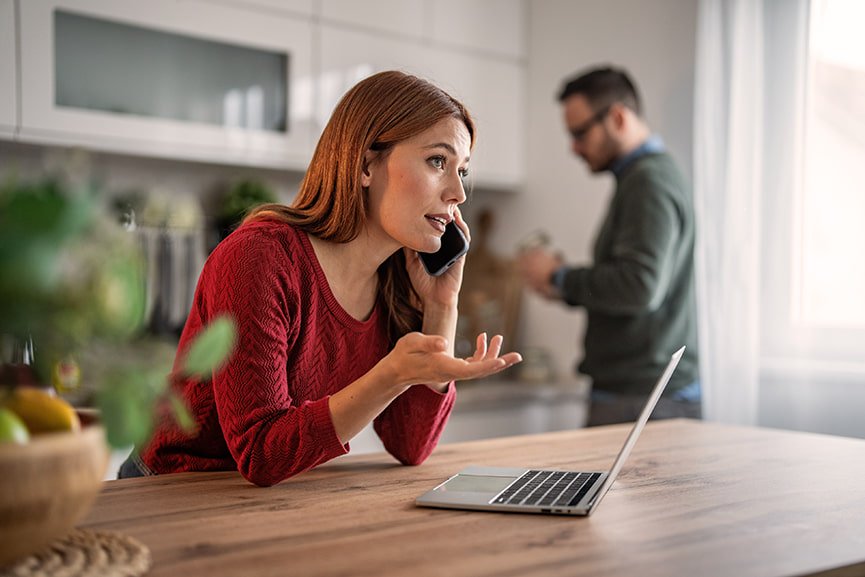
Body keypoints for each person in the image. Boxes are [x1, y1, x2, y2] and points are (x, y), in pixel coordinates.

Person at [119, 70, 522, 486]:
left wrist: (441, 306)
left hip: (272, 497)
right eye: (438, 161)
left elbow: (411, 445)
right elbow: (260, 453)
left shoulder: (397, 280)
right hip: (171, 487)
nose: (459, 193)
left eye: (463, 170)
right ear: (366, 165)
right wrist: (391, 375)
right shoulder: (260, 256)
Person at [517, 66, 700, 426]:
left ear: (617, 117)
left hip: (641, 398)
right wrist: (565, 287)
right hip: (645, 395)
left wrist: (559, 277)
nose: (573, 147)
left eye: (580, 133)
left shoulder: (648, 182)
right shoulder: (646, 177)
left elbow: (639, 286)